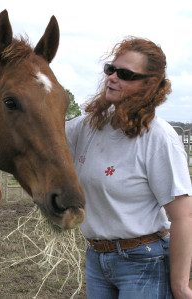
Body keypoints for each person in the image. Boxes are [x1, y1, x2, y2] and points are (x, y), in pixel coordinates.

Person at [65, 37, 192, 299]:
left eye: (125, 74)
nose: (112, 78)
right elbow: (41, 137)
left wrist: (180, 286)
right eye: (111, 69)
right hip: (97, 258)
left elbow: (182, 217)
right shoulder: (88, 127)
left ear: (149, 85)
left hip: (143, 261)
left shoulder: (158, 139)